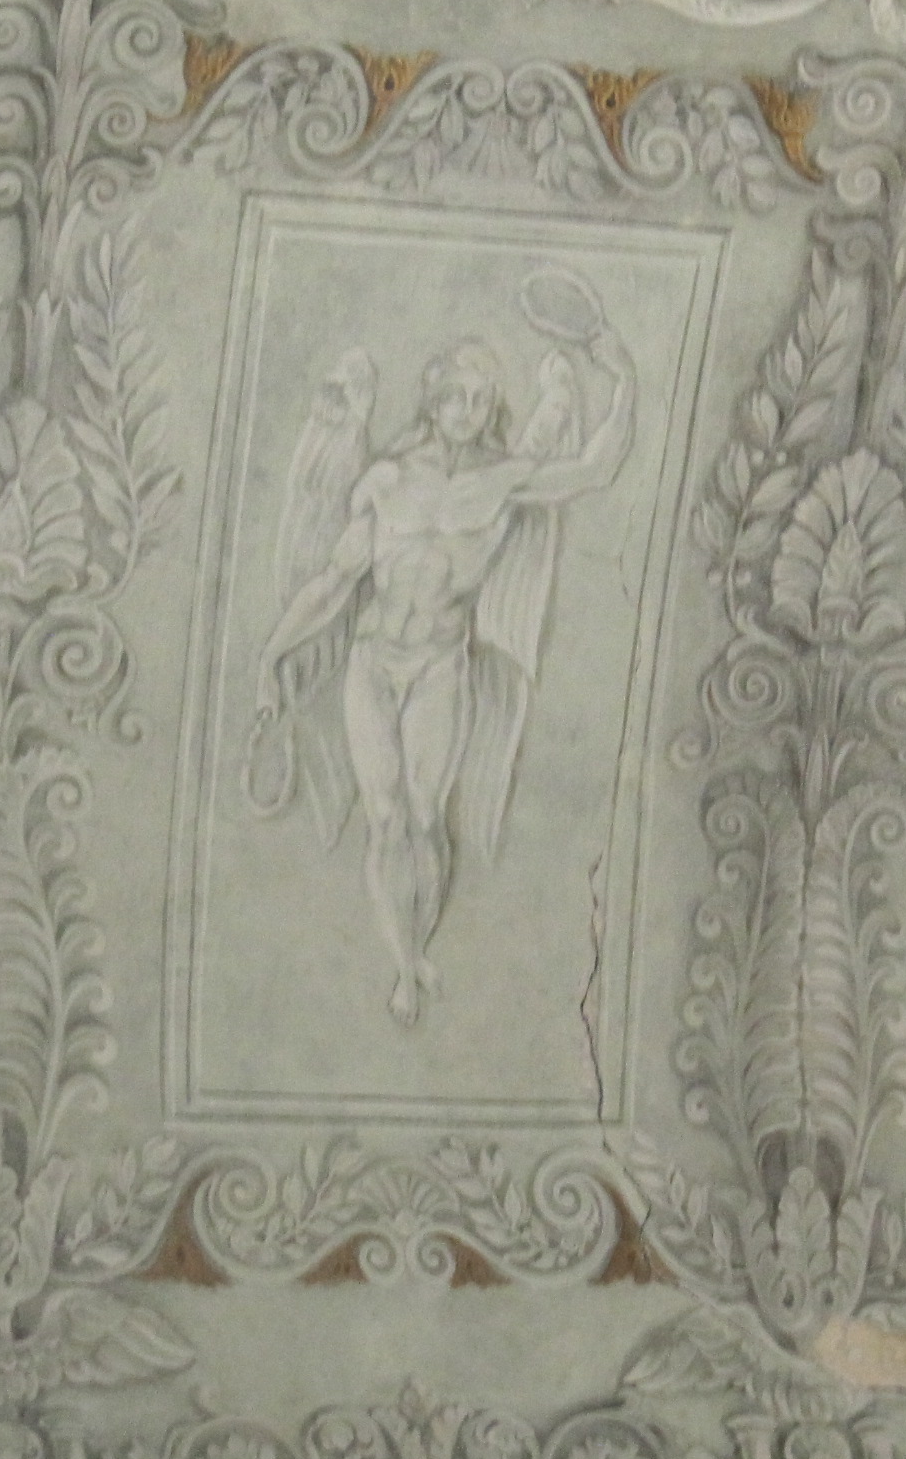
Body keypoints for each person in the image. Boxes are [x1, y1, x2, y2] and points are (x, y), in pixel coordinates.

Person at [253, 320, 635, 1024]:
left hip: (438, 663)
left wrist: (623, 382)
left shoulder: (503, 482)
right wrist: (273, 654)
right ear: (433, 401)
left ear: (492, 408)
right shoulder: (387, 479)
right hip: (372, 659)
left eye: (481, 399)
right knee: (384, 817)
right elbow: (334, 582)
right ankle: (404, 966)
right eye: (456, 395)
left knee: (427, 817)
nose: (468, 409)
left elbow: (595, 469)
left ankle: (417, 945)